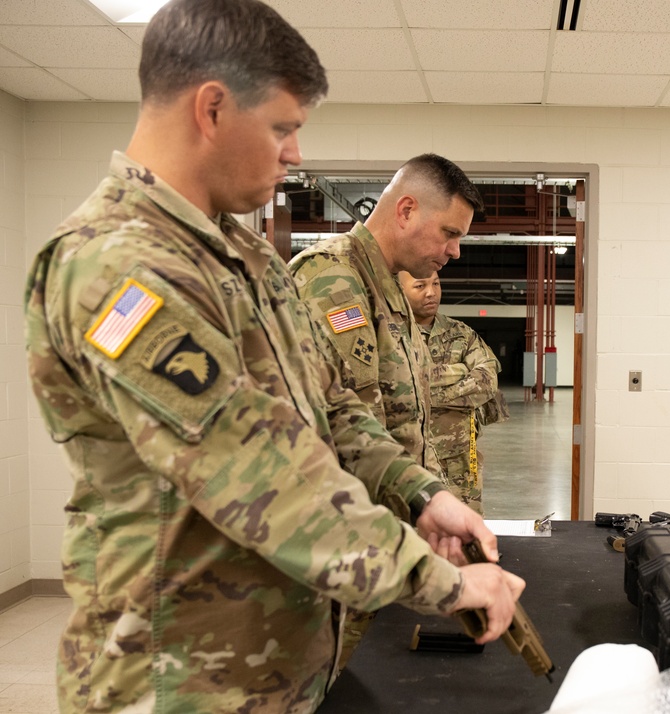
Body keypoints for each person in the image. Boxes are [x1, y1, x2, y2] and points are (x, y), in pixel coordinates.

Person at [24, 2, 522, 712]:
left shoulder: (247, 259)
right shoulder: (118, 269)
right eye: (284, 128)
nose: (294, 154)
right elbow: (255, 467)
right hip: (176, 680)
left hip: (270, 667)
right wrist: (440, 580)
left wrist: (420, 492)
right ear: (213, 109)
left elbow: (333, 407)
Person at [289, 154, 483, 472]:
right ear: (406, 211)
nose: (455, 251)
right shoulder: (334, 276)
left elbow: (409, 426)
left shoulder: (389, 288)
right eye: (450, 233)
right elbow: (354, 435)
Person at [399, 270, 509, 515]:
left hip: (458, 463)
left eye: (436, 284)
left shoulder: (460, 333)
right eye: (420, 286)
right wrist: (460, 372)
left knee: (462, 537)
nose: (431, 292)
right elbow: (388, 386)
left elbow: (487, 381)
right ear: (400, 291)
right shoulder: (390, 335)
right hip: (402, 459)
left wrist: (426, 396)